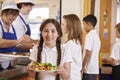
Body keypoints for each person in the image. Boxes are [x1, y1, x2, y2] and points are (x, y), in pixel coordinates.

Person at [61, 14, 83, 80]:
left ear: (70, 26)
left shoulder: (71, 44)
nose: (61, 27)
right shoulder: (74, 41)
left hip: (72, 77)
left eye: (63, 24)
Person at [82, 14, 101, 80]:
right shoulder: (96, 35)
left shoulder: (89, 36)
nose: (83, 27)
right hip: (94, 69)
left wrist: (82, 67)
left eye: (84, 25)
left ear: (89, 24)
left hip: (88, 69)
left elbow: (88, 54)